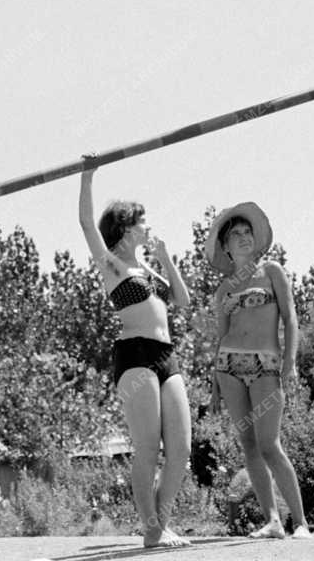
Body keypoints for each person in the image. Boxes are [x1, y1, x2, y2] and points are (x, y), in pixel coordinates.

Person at [79, 163, 192, 548]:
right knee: (148, 447)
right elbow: (85, 223)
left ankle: (160, 524)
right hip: (134, 355)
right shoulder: (112, 264)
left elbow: (183, 301)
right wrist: (88, 175)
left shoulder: (144, 266)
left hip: (166, 354)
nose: (149, 227)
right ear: (126, 229)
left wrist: (166, 260)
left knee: (181, 449)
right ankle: (152, 528)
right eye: (143, 223)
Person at [206, 203, 311, 539]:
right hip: (228, 367)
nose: (243, 237)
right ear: (225, 246)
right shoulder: (224, 289)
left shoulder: (272, 272)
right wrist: (214, 387)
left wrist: (290, 362)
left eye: (247, 232)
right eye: (235, 234)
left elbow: (291, 318)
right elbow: (221, 337)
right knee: (248, 445)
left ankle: (302, 522)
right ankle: (273, 522)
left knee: (270, 444)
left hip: (266, 364)